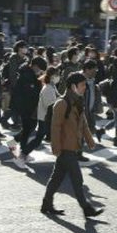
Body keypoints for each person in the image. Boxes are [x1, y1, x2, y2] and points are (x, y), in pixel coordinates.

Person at [41, 72, 103, 218]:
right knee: (77, 178)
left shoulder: (77, 101)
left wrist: (90, 140)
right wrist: (55, 148)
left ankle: (46, 204)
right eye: (82, 86)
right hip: (64, 148)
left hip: (73, 146)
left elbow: (83, 123)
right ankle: (87, 208)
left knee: (56, 178)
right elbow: (55, 127)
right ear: (73, 86)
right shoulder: (62, 103)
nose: (84, 88)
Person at [15, 66, 60, 167]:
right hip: (44, 117)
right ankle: (22, 154)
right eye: (57, 75)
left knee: (35, 135)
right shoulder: (48, 88)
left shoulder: (52, 86)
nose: (59, 77)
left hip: (45, 116)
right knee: (36, 136)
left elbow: (57, 97)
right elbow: (50, 104)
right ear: (52, 76)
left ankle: (23, 153)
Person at [10, 57, 47, 162]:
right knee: (27, 129)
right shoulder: (27, 75)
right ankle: (22, 152)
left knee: (29, 128)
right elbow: (29, 93)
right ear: (34, 66)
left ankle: (14, 144)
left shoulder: (31, 74)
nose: (40, 72)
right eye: (39, 69)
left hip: (29, 107)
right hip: (25, 107)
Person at [97, 56, 117, 147]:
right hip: (115, 100)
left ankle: (101, 131)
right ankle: (116, 139)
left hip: (116, 100)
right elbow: (116, 91)